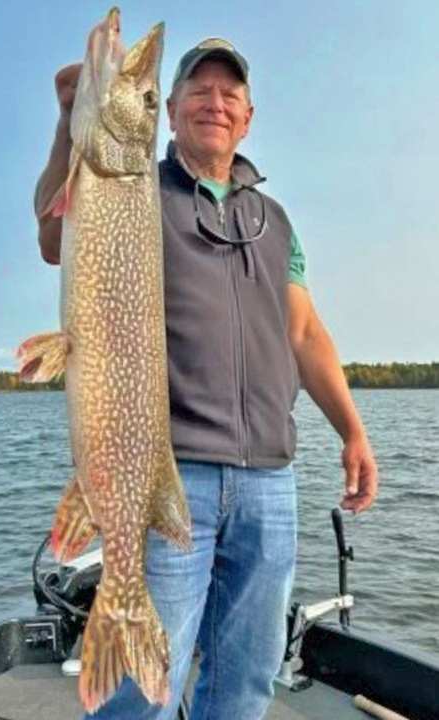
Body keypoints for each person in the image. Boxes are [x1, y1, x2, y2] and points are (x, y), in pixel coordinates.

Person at [35, 37, 378, 720]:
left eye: (229, 93)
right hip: (171, 472)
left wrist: (353, 431)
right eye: (198, 89)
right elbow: (52, 236)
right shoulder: (132, 187)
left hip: (269, 483)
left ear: (248, 115)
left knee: (247, 679)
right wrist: (69, 123)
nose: (214, 102)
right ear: (169, 110)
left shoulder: (274, 221)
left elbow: (304, 334)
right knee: (140, 691)